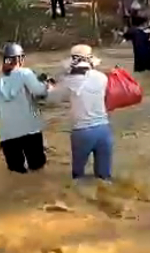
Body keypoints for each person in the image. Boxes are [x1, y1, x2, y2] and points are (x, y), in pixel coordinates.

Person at [47, 45, 113, 180]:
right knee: (104, 177)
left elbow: (51, 99)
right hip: (104, 130)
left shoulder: (68, 81)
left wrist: (49, 87)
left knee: (78, 176)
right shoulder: (102, 78)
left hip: (82, 133)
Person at [0, 43, 49, 174]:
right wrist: (47, 85)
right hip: (30, 129)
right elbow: (39, 91)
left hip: (7, 135)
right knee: (37, 170)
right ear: (20, 59)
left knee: (16, 172)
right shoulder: (25, 73)